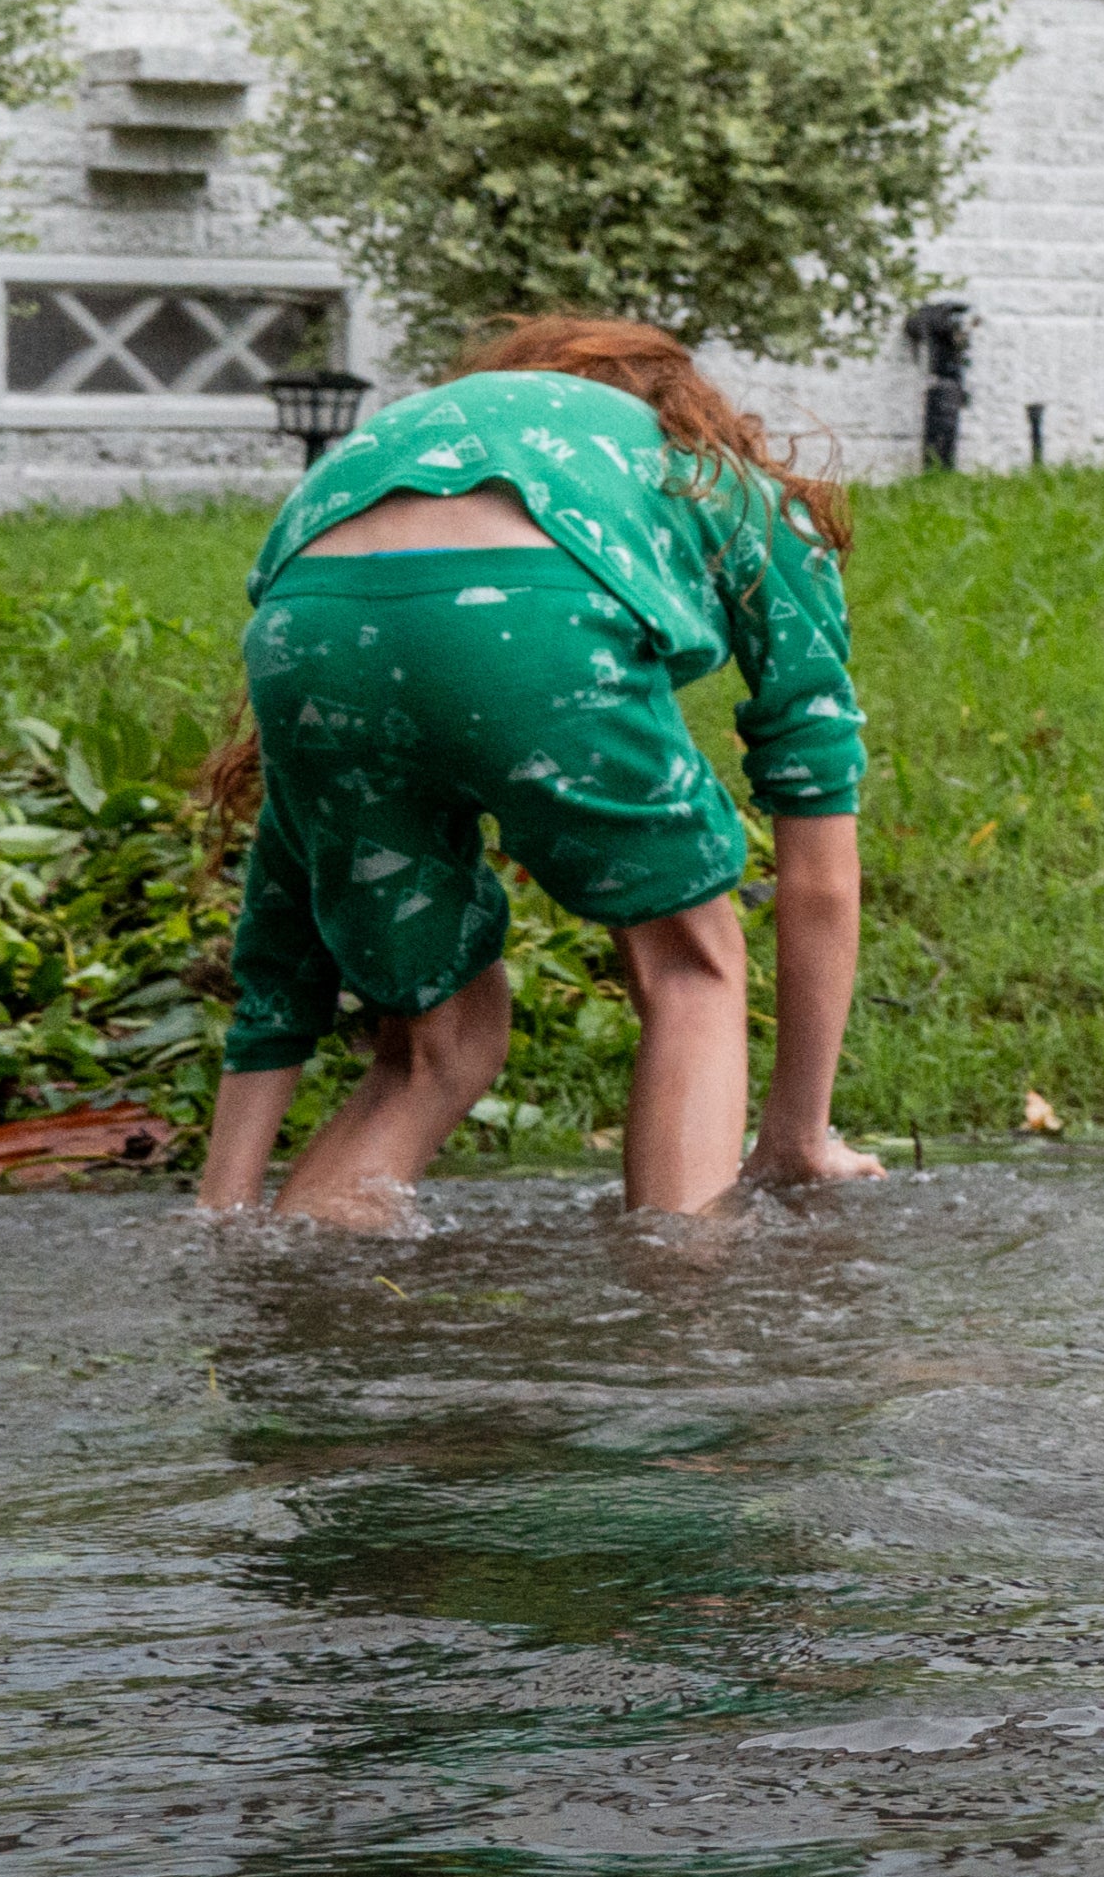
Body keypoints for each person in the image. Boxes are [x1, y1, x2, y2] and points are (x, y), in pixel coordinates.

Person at [198, 316, 875, 1228]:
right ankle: (689, 1320)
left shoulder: (396, 452)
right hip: (533, 621)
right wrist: (797, 1135)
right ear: (686, 411)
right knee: (688, 970)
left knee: (435, 1051)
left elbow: (283, 900)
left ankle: (296, 1301)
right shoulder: (715, 475)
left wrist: (221, 1207)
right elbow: (818, 856)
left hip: (300, 625)